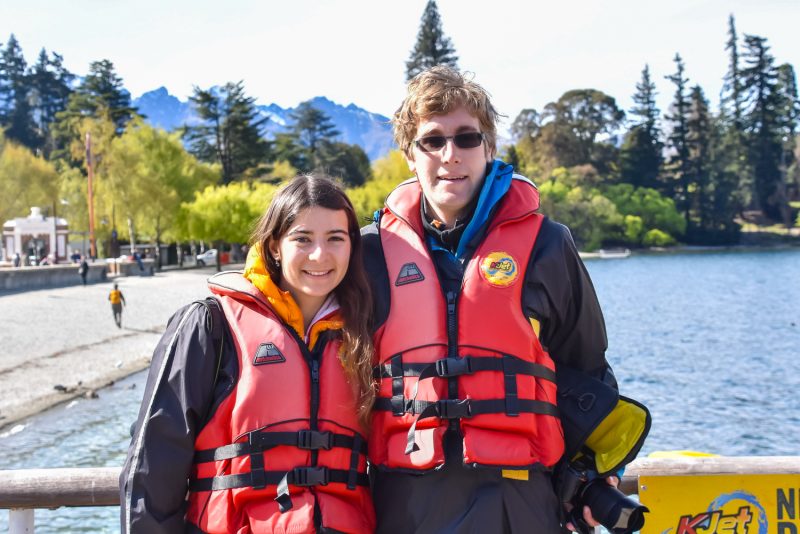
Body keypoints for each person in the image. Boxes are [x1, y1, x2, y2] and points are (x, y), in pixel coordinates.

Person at [361, 66, 643, 533]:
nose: (450, 155)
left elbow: (587, 368)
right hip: (403, 502)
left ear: (489, 148)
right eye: (432, 141)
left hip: (520, 500)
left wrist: (591, 476)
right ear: (411, 155)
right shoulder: (370, 252)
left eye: (467, 138)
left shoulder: (548, 246)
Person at [120, 174, 376, 533]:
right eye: (302, 239)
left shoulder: (366, 329)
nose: (320, 254)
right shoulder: (210, 325)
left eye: (336, 238)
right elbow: (155, 461)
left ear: (352, 245)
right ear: (274, 246)